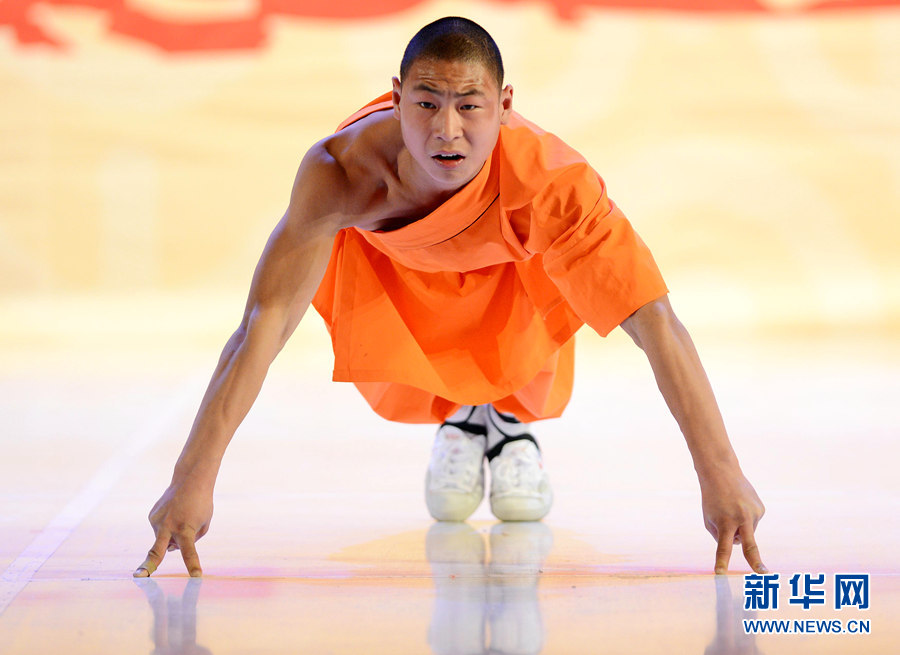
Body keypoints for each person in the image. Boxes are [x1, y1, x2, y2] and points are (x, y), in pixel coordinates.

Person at [134, 16, 767, 579]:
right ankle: (464, 416)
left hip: (515, 279)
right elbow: (263, 323)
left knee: (531, 357)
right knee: (431, 397)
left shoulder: (553, 182)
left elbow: (655, 320)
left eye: (470, 106)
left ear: (505, 105)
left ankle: (508, 422)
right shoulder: (341, 172)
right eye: (426, 103)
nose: (447, 130)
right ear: (395, 98)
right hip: (400, 278)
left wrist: (721, 474)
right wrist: (192, 479)